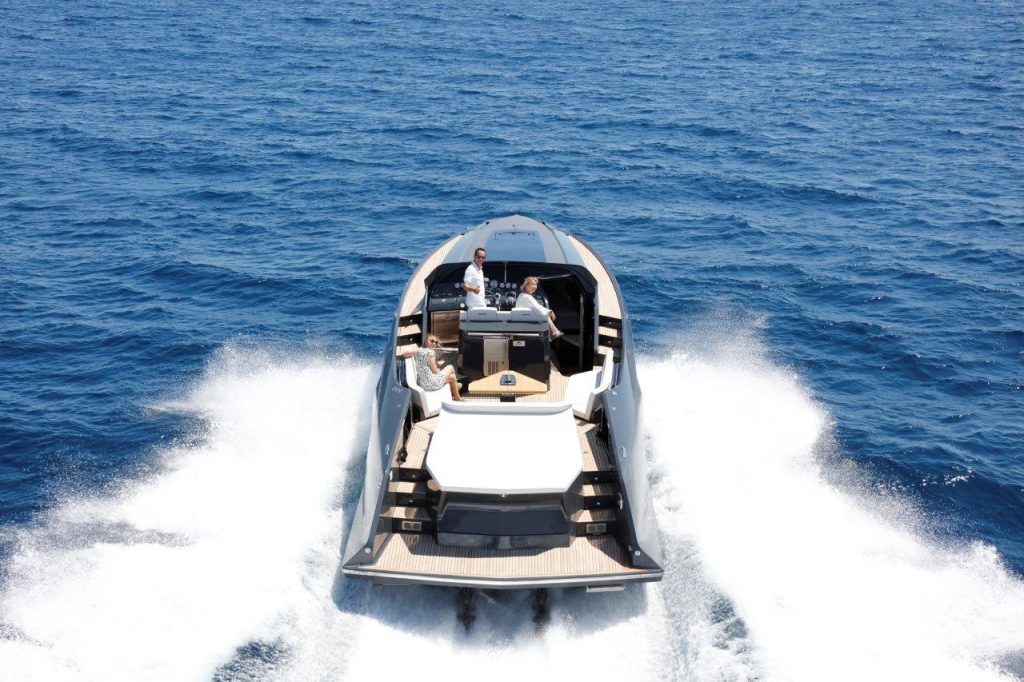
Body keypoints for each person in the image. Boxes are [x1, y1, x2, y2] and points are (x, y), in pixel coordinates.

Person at [403, 334, 462, 400]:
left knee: (452, 377)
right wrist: (439, 370)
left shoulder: (419, 350)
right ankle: (456, 387)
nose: (434, 343)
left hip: (423, 384)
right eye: (432, 341)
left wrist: (415, 350)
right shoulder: (430, 352)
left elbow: (404, 353)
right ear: (426, 341)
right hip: (431, 384)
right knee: (450, 367)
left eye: (436, 342)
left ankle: (457, 397)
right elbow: (435, 371)